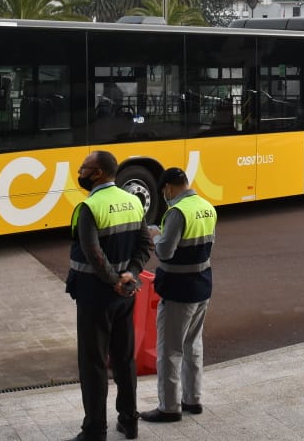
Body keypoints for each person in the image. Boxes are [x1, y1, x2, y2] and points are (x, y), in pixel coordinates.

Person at [66, 150, 151, 441]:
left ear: (98, 173)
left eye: (84, 167)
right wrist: (132, 274)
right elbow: (144, 244)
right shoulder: (133, 201)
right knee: (124, 358)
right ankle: (129, 421)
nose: (80, 171)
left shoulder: (88, 207)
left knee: (93, 362)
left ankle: (95, 430)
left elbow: (93, 253)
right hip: (126, 293)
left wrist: (113, 280)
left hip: (95, 293)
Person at [140, 168, 217, 424]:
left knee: (170, 350)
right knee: (193, 346)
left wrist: (154, 235)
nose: (165, 196)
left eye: (164, 192)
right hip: (202, 286)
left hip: (178, 290)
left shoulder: (177, 212)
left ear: (169, 188)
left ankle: (169, 407)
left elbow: (165, 251)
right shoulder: (207, 207)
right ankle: (193, 400)